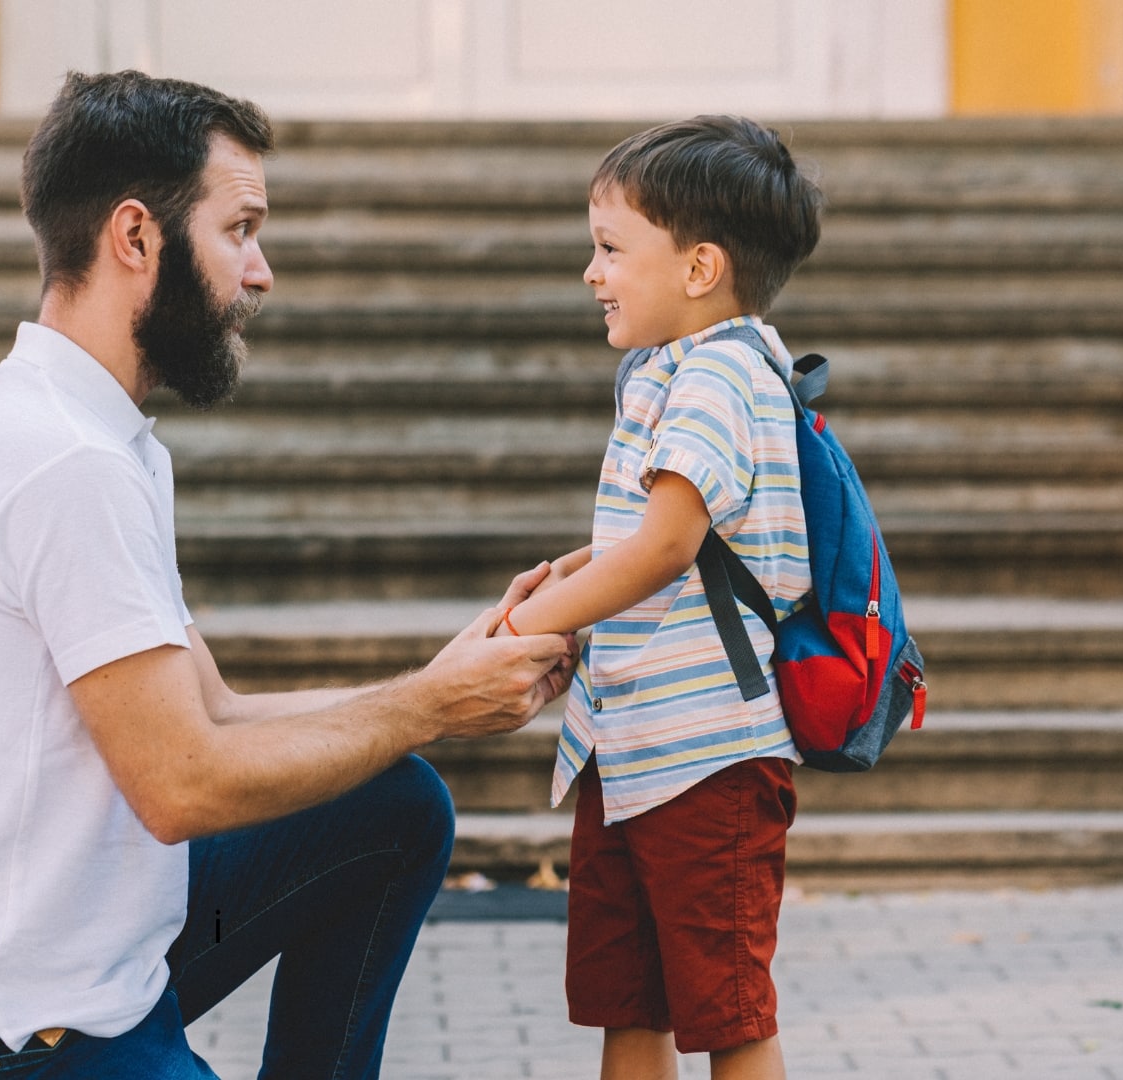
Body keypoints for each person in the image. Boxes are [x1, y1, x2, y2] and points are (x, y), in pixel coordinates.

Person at [0, 70, 575, 1079]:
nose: (262, 270)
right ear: (136, 238)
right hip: (15, 1037)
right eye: (240, 229)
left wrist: (435, 688)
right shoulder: (69, 463)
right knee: (395, 763)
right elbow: (181, 785)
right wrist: (427, 706)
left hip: (94, 962)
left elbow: (214, 716)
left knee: (393, 806)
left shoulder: (100, 435)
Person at [491, 116, 822, 1080]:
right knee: (626, 1005)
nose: (592, 272)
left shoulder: (723, 370)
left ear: (699, 268)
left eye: (608, 248)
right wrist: (566, 581)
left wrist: (527, 623)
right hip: (630, 748)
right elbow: (651, 540)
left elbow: (670, 546)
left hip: (708, 757)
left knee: (728, 1014)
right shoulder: (673, 370)